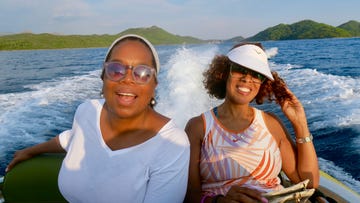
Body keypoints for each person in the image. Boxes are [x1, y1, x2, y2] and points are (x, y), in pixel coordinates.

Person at [6, 34, 190, 203]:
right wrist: (31, 151)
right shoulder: (87, 110)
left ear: (154, 84)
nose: (127, 79)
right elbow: (73, 137)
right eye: (116, 69)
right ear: (103, 77)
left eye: (142, 73)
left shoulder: (171, 144)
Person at [184, 43, 319, 203]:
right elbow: (190, 194)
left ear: (262, 83)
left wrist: (300, 124)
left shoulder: (272, 124)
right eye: (240, 69)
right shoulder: (198, 127)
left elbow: (308, 182)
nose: (247, 79)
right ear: (224, 73)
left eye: (256, 74)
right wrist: (219, 201)